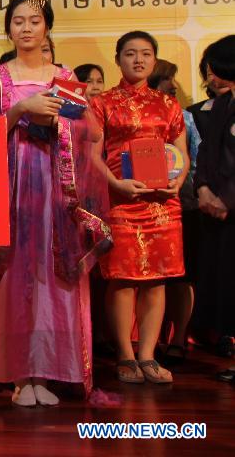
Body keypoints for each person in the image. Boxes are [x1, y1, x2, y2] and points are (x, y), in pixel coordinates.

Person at [0, 0, 109, 407]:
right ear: (8, 28)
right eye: (18, 21)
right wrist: (21, 110)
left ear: (47, 26)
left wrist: (59, 124)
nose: (27, 28)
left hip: (57, 186)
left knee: (54, 275)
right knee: (16, 273)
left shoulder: (65, 75)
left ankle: (50, 370)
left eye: (35, 21)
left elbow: (85, 135)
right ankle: (18, 374)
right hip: (13, 183)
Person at [90, 31, 188, 385]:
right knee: (123, 279)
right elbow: (91, 155)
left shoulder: (168, 103)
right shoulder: (102, 103)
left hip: (163, 202)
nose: (138, 60)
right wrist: (115, 184)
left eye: (146, 54)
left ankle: (148, 355)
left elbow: (180, 149)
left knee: (157, 279)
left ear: (154, 59)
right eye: (130, 54)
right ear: (118, 59)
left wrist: (179, 179)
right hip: (121, 200)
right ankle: (125, 356)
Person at [148, 59, 200, 365]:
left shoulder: (184, 117)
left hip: (181, 203)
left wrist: (178, 181)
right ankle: (147, 344)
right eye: (168, 79)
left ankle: (178, 338)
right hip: (138, 201)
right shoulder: (124, 110)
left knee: (182, 276)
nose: (174, 85)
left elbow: (192, 158)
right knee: (146, 278)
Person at [192, 35, 235, 382]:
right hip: (216, 211)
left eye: (216, 70)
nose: (212, 79)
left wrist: (227, 199)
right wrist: (204, 190)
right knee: (225, 286)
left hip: (229, 206)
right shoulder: (222, 105)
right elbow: (206, 153)